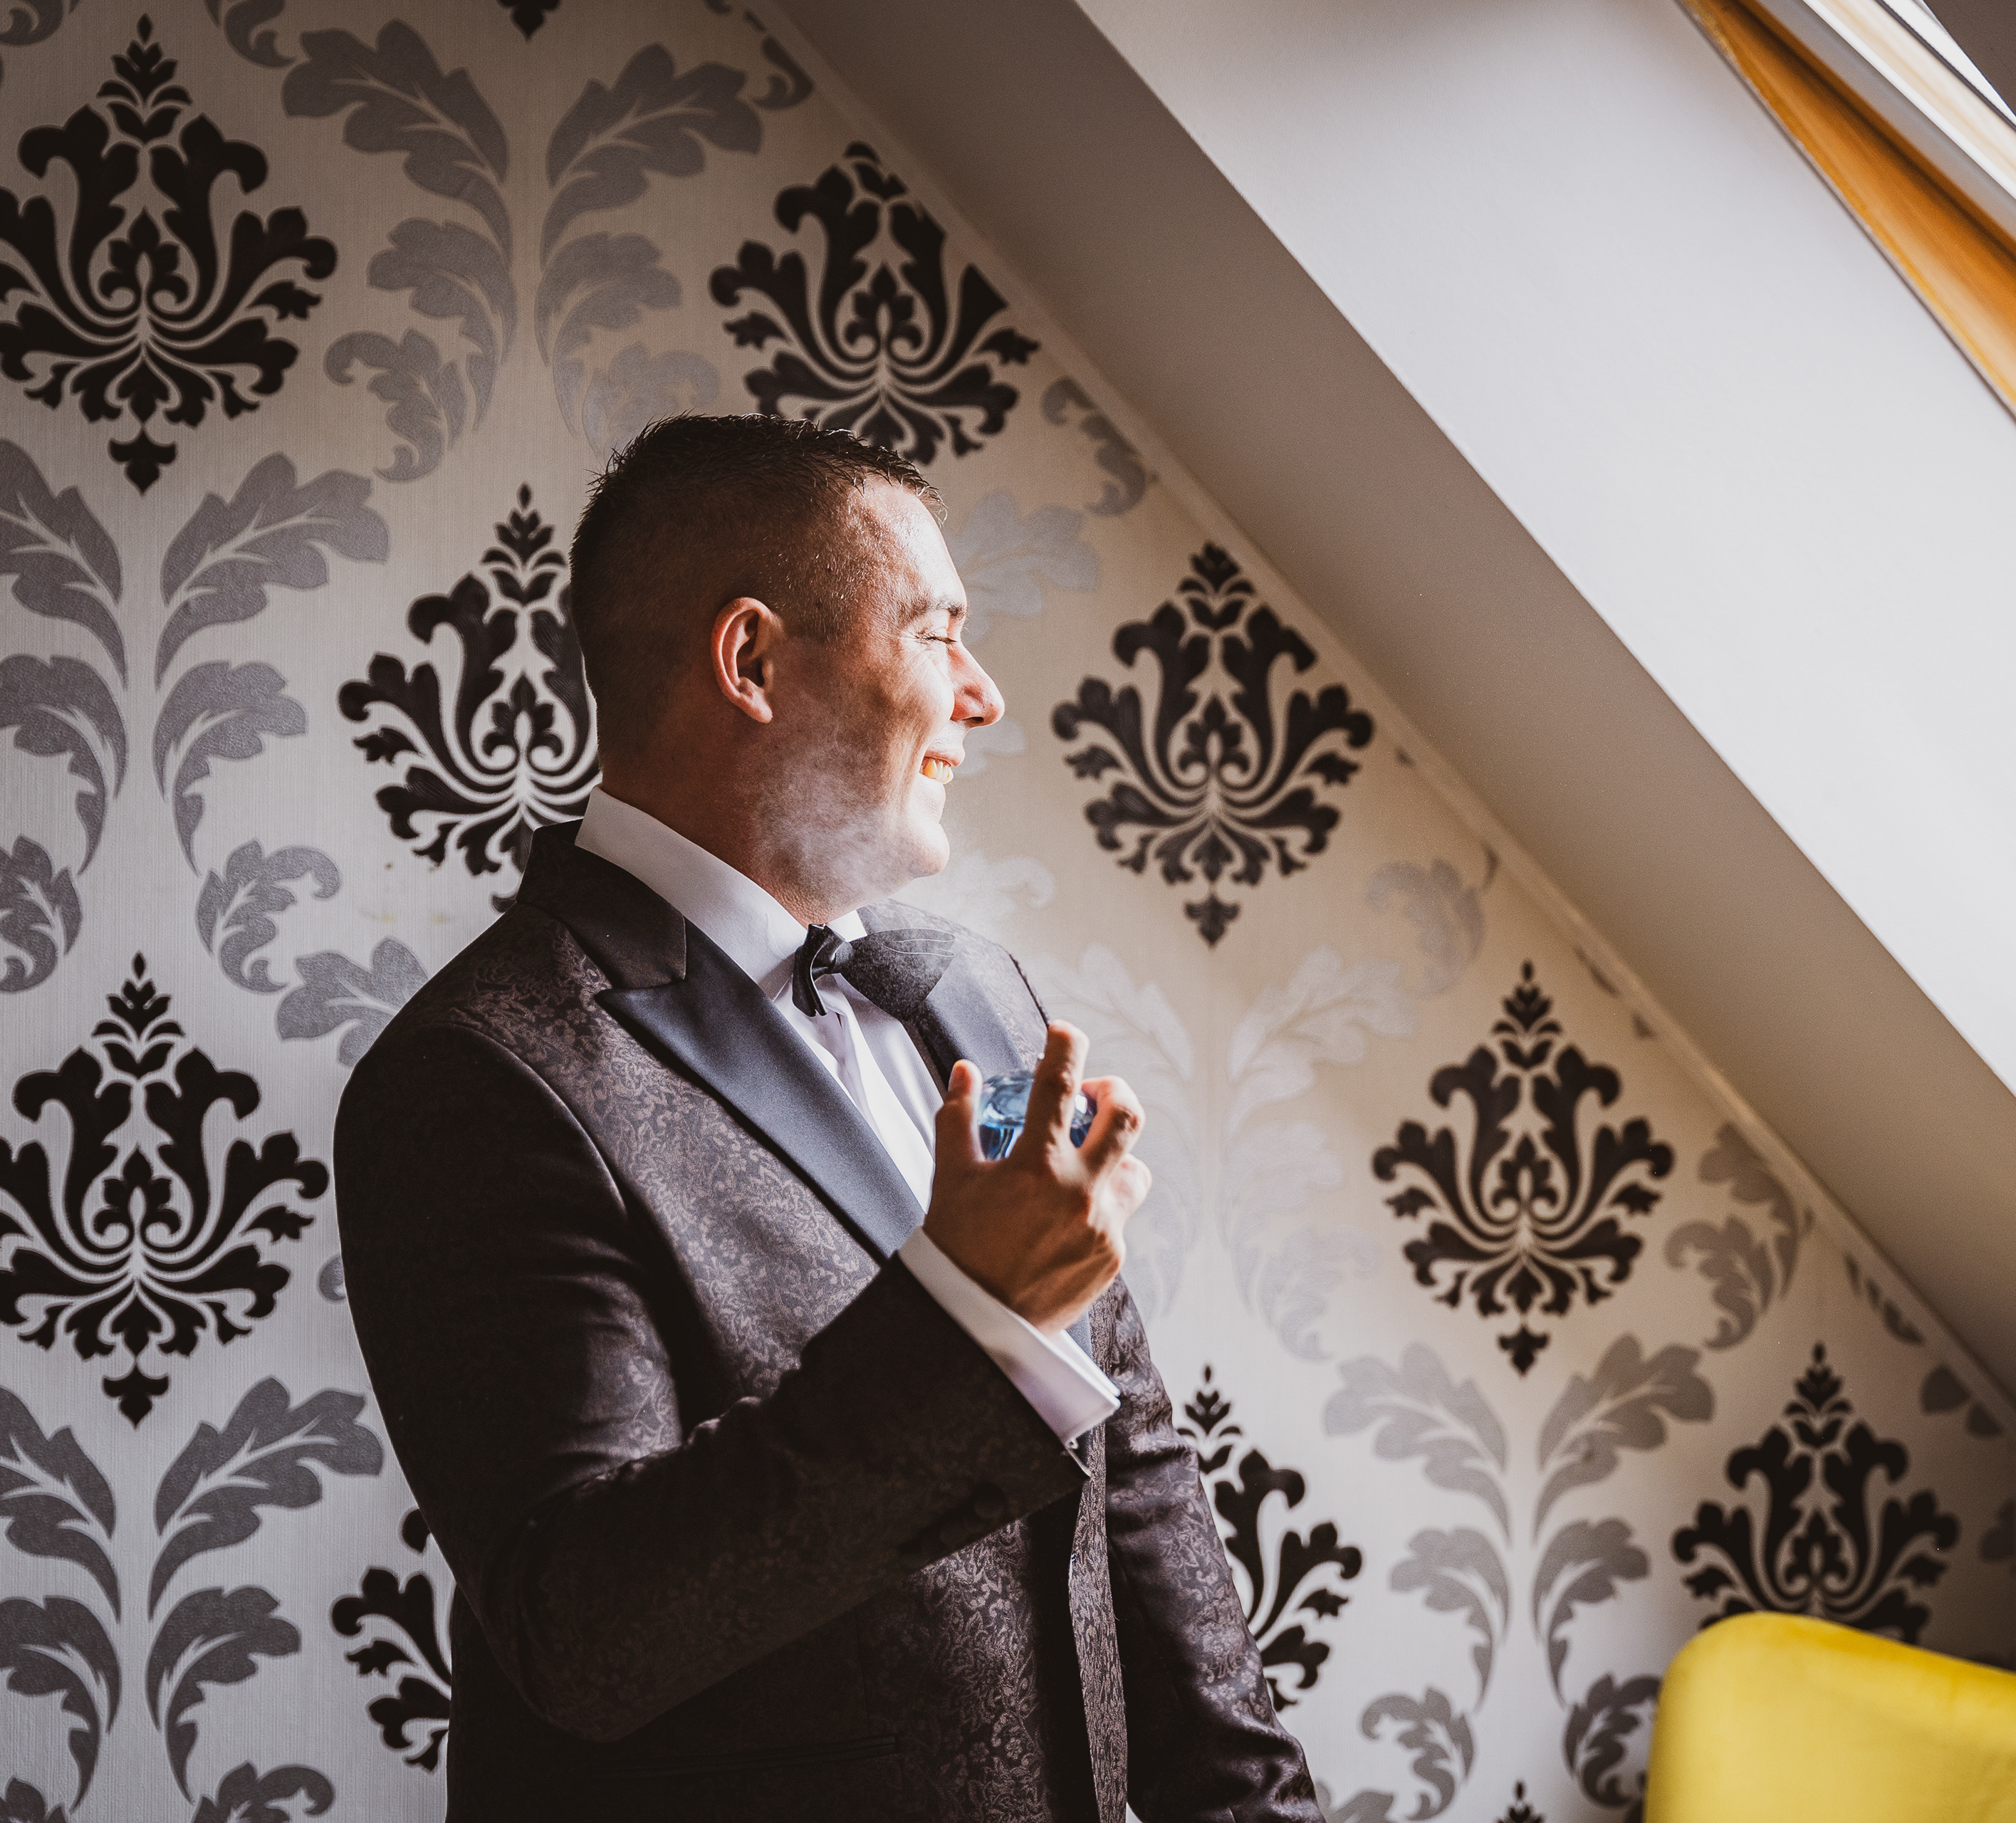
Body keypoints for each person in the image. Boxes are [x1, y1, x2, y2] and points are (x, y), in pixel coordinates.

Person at [333, 414, 1323, 1821]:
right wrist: (966, 1315)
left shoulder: (978, 997)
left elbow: (1136, 1482)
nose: (982, 695)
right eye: (938, 633)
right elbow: (585, 1631)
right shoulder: (481, 1072)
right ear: (751, 661)